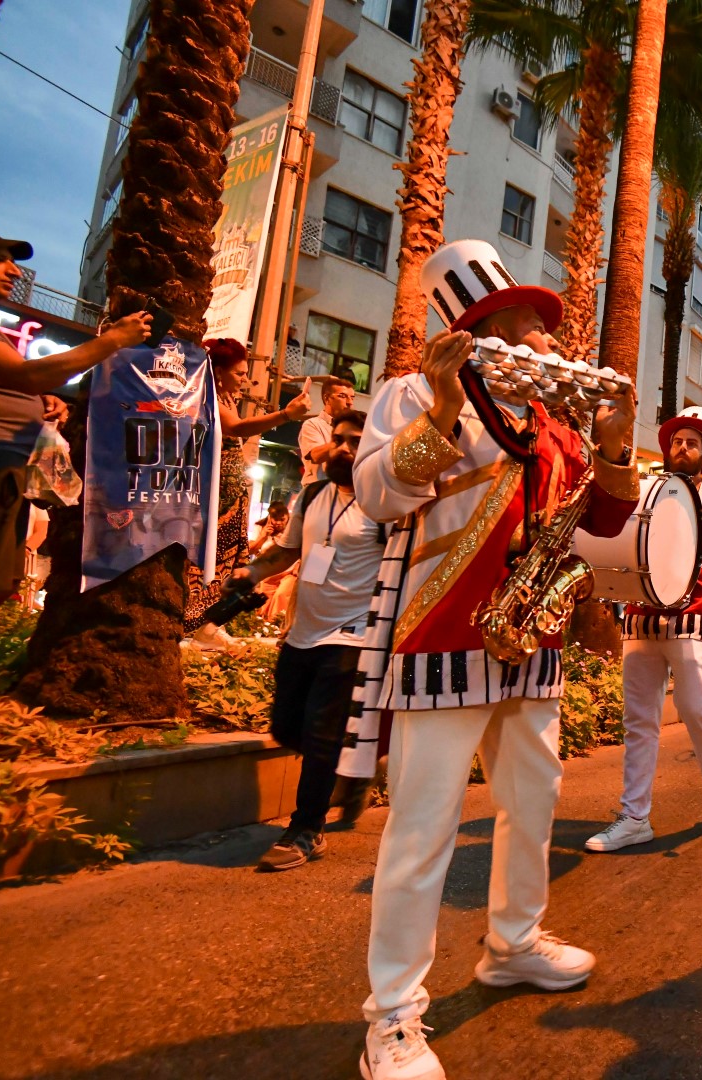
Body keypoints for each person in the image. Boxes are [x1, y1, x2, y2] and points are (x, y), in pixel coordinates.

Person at [350, 240, 638, 1080]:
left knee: (534, 804)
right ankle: (393, 1018)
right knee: (422, 830)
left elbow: (604, 527)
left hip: (531, 640)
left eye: (544, 332)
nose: (547, 342)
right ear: (484, 330)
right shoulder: (412, 391)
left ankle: (513, 942)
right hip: (441, 639)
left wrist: (614, 449)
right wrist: (441, 407)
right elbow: (378, 493)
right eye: (529, 328)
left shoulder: (554, 425)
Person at [587, 406, 702, 852]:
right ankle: (635, 816)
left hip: (695, 616)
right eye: (678, 439)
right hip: (641, 617)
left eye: (692, 442)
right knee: (639, 721)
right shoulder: (647, 490)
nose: (682, 447)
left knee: (699, 712)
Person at [224, 410, 379, 869]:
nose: (344, 448)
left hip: (354, 635)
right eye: (339, 439)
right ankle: (350, 773)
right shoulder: (313, 493)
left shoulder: (386, 505)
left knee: (319, 734)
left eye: (356, 441)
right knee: (286, 727)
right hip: (304, 631)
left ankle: (305, 830)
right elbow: (289, 548)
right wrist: (251, 572)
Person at [0, 231, 152, 609]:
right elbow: (28, 375)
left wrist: (40, 398)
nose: (14, 271)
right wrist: (112, 341)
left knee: (2, 580)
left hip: (10, 473)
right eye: (0, 259)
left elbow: (22, 380)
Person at [183, 340, 314, 648]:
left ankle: (210, 626)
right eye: (239, 373)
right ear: (218, 372)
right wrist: (285, 415)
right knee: (208, 564)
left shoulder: (227, 396)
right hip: (214, 496)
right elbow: (237, 428)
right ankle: (195, 625)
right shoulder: (207, 396)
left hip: (231, 495)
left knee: (228, 564)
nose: (244, 378)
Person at [299, 378, 357, 484]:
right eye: (342, 396)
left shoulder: (352, 428)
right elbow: (316, 456)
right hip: (318, 490)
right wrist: (348, 440)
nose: (349, 403)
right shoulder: (313, 424)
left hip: (345, 490)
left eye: (352, 398)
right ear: (327, 399)